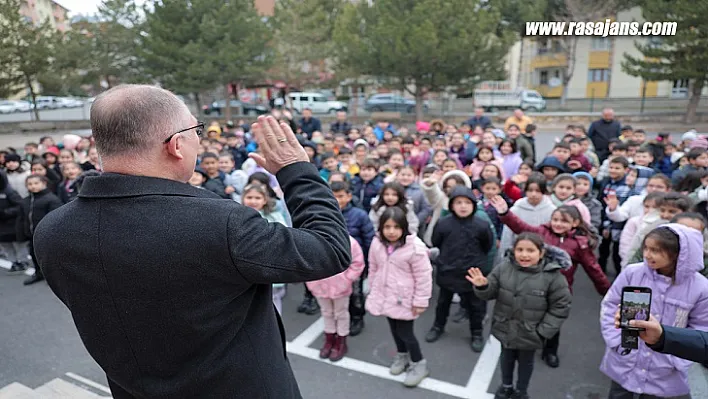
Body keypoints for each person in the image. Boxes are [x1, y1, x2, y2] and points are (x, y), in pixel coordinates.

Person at [33, 85, 351, 399]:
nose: (199, 138)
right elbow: (329, 248)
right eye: (195, 129)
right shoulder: (221, 224)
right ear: (175, 145)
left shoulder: (52, 233)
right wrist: (297, 171)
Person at [491, 199, 610, 367]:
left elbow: (594, 269)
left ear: (575, 223)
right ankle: (527, 343)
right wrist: (505, 213)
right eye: (555, 219)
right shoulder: (541, 232)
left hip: (558, 291)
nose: (558, 224)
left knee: (554, 322)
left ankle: (550, 351)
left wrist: (608, 291)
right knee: (532, 316)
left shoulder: (579, 244)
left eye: (564, 221)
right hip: (535, 287)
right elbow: (520, 227)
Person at [600, 224, 708, 399]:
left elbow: (702, 328)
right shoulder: (632, 273)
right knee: (619, 393)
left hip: (666, 366)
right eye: (646, 248)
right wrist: (615, 340)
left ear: (679, 254)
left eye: (656, 250)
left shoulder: (701, 288)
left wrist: (679, 359)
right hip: (626, 356)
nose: (647, 255)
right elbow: (610, 305)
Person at [468, 233, 572, 399]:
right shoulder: (504, 268)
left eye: (530, 250)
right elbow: (490, 292)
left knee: (526, 363)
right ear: (513, 251)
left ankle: (521, 391)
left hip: (531, 332)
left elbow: (560, 306)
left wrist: (542, 332)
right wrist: (483, 286)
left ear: (541, 253)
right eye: (520, 250)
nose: (524, 255)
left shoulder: (553, 276)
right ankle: (506, 386)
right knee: (506, 358)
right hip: (506, 327)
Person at [366, 207, 433, 387]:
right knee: (394, 329)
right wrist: (374, 288)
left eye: (396, 227)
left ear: (404, 228)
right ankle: (402, 356)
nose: (392, 231)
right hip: (386, 295)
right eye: (387, 227)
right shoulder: (377, 243)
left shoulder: (414, 247)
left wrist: (420, 301)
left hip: (405, 299)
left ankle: (419, 364)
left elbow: (424, 276)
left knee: (406, 333)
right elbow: (373, 267)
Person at [425, 186, 494, 352]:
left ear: (473, 204)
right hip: (448, 270)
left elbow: (487, 245)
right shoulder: (443, 223)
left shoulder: (482, 225)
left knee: (475, 305)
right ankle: (437, 327)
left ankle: (476, 333)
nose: (463, 206)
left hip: (472, 273)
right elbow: (436, 242)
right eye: (458, 202)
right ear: (452, 205)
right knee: (443, 303)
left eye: (467, 203)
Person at [306, 236, 365, 362]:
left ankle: (341, 341)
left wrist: (346, 280)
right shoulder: (311, 239)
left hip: (340, 287)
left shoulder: (348, 241)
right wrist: (311, 281)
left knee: (341, 313)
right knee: (326, 313)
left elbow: (358, 262)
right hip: (319, 285)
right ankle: (329, 339)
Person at [17, 174, 63, 285]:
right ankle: (38, 273)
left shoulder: (51, 199)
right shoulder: (26, 201)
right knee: (34, 254)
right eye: (30, 184)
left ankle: (55, 278)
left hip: (46, 236)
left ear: (44, 184)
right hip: (32, 235)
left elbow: (56, 219)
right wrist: (21, 234)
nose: (33, 186)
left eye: (36, 183)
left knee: (49, 257)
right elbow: (22, 218)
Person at [617, 314, 708, 364]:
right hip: (626, 365)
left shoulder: (701, 286)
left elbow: (701, 326)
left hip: (669, 372)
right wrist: (616, 346)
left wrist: (678, 363)